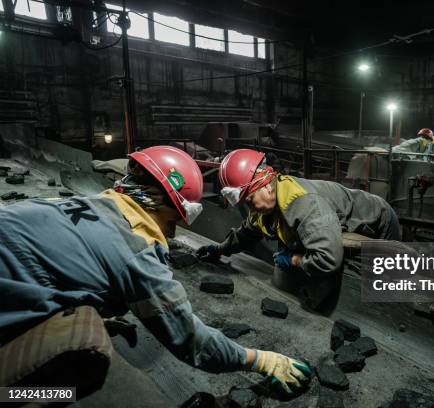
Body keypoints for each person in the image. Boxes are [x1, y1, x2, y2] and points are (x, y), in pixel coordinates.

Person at [0, 146, 311, 395]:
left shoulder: (81, 204)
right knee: (85, 354)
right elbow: (191, 340)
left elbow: (55, 267)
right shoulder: (134, 247)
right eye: (172, 222)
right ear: (161, 204)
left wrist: (94, 307)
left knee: (82, 320)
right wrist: (262, 360)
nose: (170, 235)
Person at [197, 149, 401, 312]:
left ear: (266, 185)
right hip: (333, 220)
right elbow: (246, 233)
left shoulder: (304, 205)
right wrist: (219, 249)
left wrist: (294, 260)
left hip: (376, 220)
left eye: (249, 200)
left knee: (384, 276)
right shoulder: (264, 205)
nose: (250, 207)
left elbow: (328, 259)